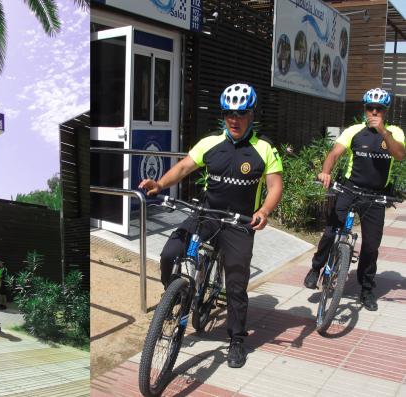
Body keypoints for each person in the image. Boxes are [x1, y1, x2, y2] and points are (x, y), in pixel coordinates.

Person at [139, 83, 283, 368]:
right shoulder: (210, 143)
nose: (235, 119)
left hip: (240, 223)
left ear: (251, 114)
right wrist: (160, 183)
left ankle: (237, 340)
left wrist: (265, 210)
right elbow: (182, 168)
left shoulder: (264, 148)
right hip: (206, 215)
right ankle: (174, 294)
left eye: (241, 113)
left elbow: (275, 185)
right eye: (229, 113)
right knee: (170, 253)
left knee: (237, 284)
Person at [304, 88, 405, 311]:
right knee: (331, 232)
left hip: (375, 196)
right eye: (370, 108)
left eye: (379, 109)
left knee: (371, 245)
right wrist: (326, 172)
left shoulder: (394, 132)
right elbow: (333, 154)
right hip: (350, 190)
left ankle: (366, 289)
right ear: (365, 109)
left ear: (385, 111)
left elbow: (399, 154)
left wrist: (382, 132)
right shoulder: (354, 131)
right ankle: (315, 269)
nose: (374, 112)